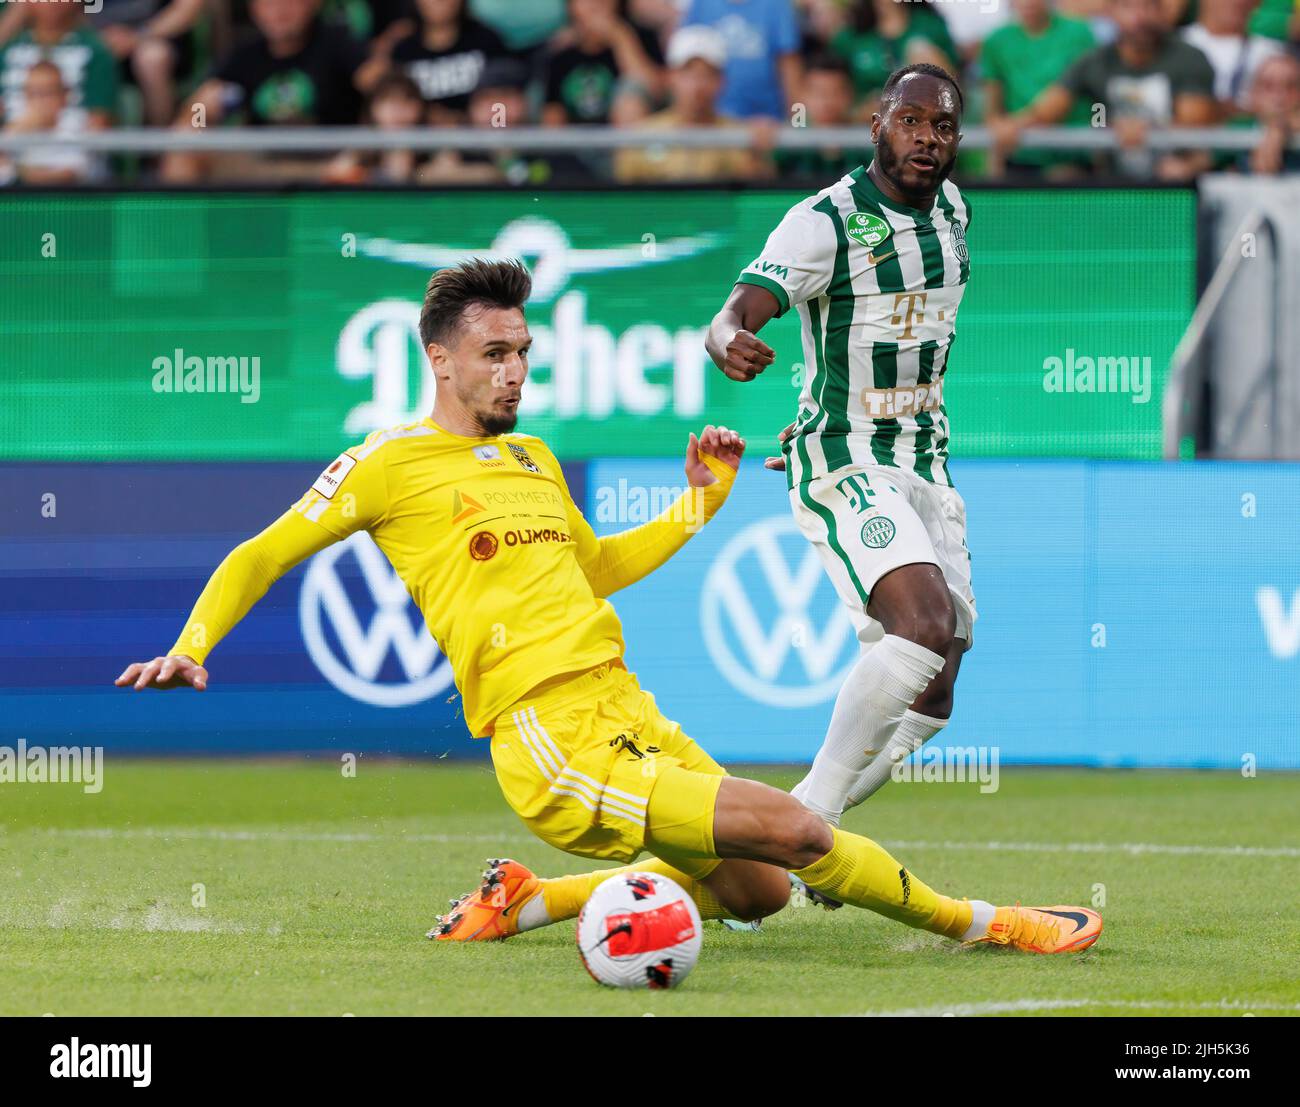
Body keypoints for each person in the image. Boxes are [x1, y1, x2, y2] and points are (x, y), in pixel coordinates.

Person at [116, 258, 1102, 958]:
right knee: (801, 834)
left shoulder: (533, 458)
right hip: (547, 733)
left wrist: (698, 503)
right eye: (494, 353)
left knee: (758, 892)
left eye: (523, 352)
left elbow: (595, 568)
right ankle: (990, 925)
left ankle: (531, 901)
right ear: (440, 359)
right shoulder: (387, 463)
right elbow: (263, 550)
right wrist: (190, 643)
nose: (513, 371)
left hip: (626, 709)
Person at [706, 64, 979, 859]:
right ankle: (803, 836)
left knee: (936, 691)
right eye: (911, 121)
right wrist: (728, 342)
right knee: (920, 623)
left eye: (944, 127)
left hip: (924, 456)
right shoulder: (823, 221)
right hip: (842, 451)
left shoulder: (957, 211)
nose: (927, 138)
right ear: (876, 124)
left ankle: (780, 833)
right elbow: (733, 313)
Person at [989, 0, 1218, 180]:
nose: (1138, 17)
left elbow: (1194, 123)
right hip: (1111, 181)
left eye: (1148, 5)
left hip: (1176, 182)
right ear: (1112, 12)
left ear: (1162, 11)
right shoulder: (1096, 61)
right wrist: (1014, 125)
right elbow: (1049, 108)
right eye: (1128, 6)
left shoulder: (1188, 58)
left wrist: (1149, 130)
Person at [160, 0, 367, 182]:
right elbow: (200, 103)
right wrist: (198, 122)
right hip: (261, 163)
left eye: (289, 3)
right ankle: (184, 227)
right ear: (254, 8)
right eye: (268, 3)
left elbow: (381, 87)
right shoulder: (245, 55)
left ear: (312, 3)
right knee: (183, 150)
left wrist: (357, 152)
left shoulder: (337, 44)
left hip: (327, 163)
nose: (279, 12)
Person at [613, 24, 767, 184]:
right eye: (687, 72)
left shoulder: (741, 139)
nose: (697, 85)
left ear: (722, 81)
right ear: (671, 77)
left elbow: (755, 194)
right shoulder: (642, 137)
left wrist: (757, 155)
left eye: (707, 74)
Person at [981, 0, 1095, 178]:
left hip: (1071, 156)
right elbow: (993, 110)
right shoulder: (996, 41)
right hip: (1020, 157)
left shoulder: (1079, 33)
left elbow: (1064, 100)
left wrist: (1014, 126)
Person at [361, 0, 511, 125]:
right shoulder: (403, 49)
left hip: (480, 142)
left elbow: (506, 100)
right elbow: (375, 93)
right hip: (418, 146)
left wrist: (498, 131)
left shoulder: (486, 40)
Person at [679, 0, 801, 120]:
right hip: (713, 123)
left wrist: (799, 127)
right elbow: (683, 62)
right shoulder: (701, 4)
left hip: (765, 126)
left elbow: (791, 74)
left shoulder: (776, 5)